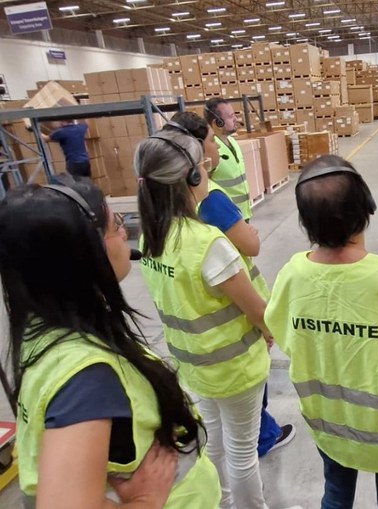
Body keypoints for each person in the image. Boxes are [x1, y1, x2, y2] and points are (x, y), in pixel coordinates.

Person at [0, 178, 221, 508]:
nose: (123, 233)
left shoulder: (42, 330)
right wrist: (145, 501)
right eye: (115, 224)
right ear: (83, 253)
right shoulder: (86, 377)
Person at [264, 155, 378, 509]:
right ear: (365, 208)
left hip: (331, 426)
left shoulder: (291, 275)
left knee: (336, 496)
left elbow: (279, 331)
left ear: (305, 222)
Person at [135, 130, 292, 509]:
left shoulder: (151, 239)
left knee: (215, 443)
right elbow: (256, 310)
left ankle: (220, 501)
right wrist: (268, 331)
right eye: (204, 167)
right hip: (234, 368)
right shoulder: (208, 243)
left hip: (193, 364)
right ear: (192, 178)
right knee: (242, 452)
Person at [162, 111, 296, 457]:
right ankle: (263, 436)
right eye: (210, 140)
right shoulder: (211, 201)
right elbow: (250, 247)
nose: (216, 146)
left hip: (194, 353)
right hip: (232, 343)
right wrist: (267, 327)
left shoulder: (160, 216)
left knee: (218, 433)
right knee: (241, 436)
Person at [204, 97, 252, 222]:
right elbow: (204, 187)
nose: (236, 119)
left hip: (242, 214)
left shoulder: (232, 141)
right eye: (231, 116)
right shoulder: (211, 150)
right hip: (226, 219)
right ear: (217, 122)